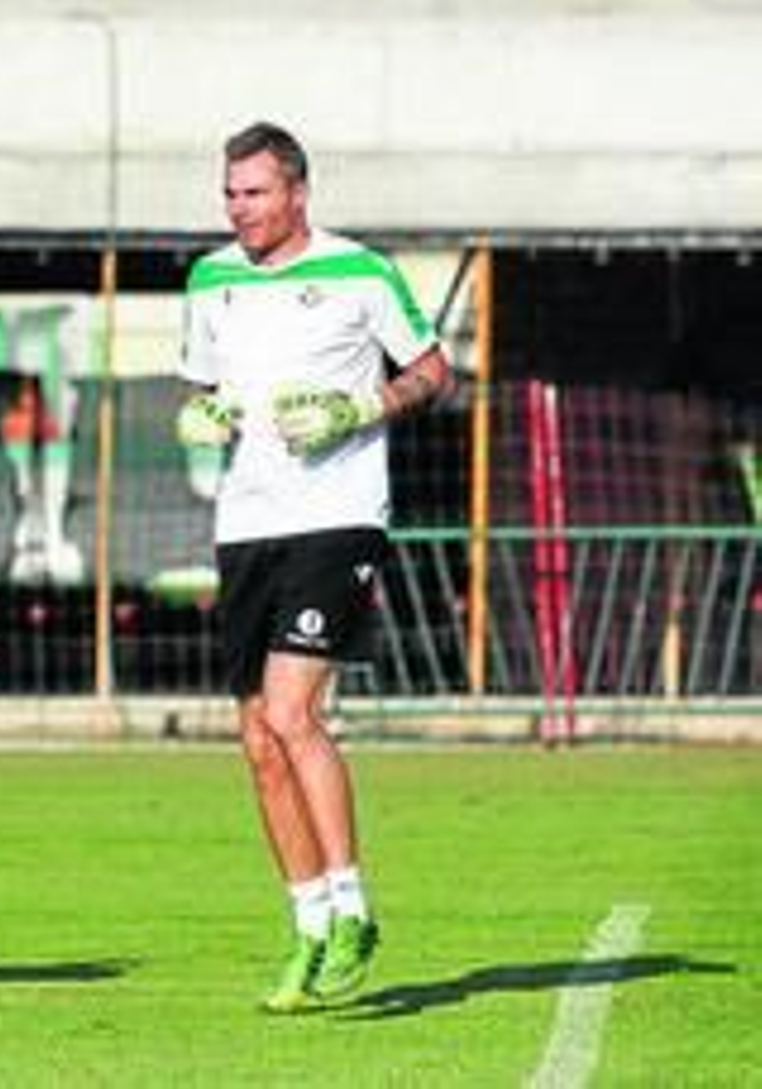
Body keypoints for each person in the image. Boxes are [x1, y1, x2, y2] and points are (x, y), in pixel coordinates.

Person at [176, 122, 452, 1013]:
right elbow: (206, 386)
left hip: (337, 518)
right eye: (230, 192)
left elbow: (433, 370)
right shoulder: (209, 278)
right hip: (246, 523)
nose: (238, 208)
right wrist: (204, 416)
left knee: (295, 710)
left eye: (253, 191)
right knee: (258, 739)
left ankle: (353, 910)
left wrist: (357, 406)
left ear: (296, 191)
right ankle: (305, 927)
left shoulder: (360, 272)